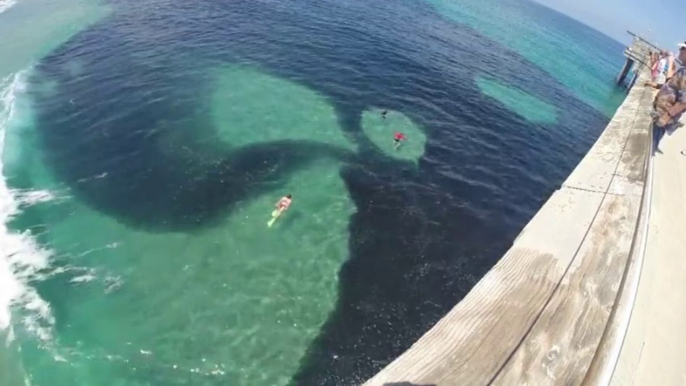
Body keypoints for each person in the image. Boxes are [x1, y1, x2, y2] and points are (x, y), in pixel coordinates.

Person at [651, 42, 686, 153]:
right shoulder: (683, 70)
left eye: (682, 48)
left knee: (650, 145)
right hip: (660, 112)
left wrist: (667, 116)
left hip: (663, 115)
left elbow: (684, 101)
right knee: (651, 141)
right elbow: (672, 87)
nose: (680, 50)